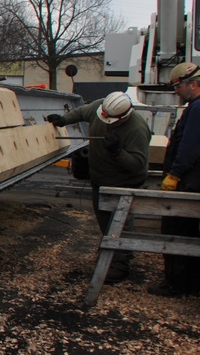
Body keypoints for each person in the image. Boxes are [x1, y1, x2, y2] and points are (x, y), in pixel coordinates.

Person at [47, 91, 151, 283]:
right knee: (104, 219)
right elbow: (81, 112)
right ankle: (111, 252)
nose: (104, 120)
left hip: (123, 182)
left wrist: (118, 151)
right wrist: (63, 120)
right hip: (99, 178)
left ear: (124, 116)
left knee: (120, 221)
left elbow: (137, 164)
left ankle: (120, 263)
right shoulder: (100, 107)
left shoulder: (136, 129)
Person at [148, 62, 200, 297]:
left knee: (176, 231)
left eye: (178, 87)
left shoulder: (199, 108)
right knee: (187, 232)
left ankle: (176, 285)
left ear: (193, 84)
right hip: (187, 178)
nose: (176, 91)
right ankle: (188, 284)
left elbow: (190, 146)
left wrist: (175, 173)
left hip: (186, 180)